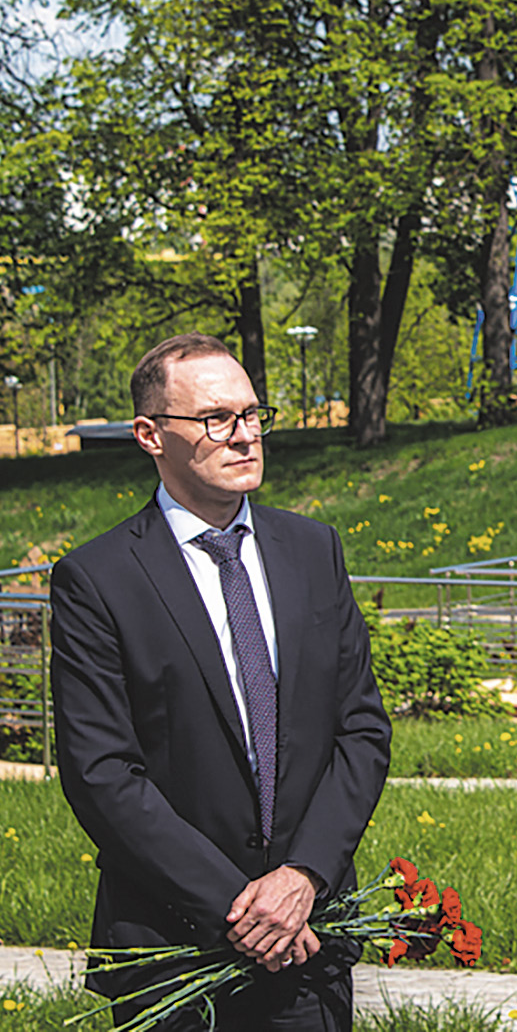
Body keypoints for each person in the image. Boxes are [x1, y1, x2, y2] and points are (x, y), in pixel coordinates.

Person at [50, 332, 391, 1030]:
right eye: (216, 418)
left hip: (309, 940)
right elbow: (102, 772)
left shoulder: (311, 550)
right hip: (176, 946)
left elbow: (360, 730)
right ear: (150, 434)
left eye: (251, 414)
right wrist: (239, 906)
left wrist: (303, 876)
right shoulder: (97, 579)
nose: (243, 436)